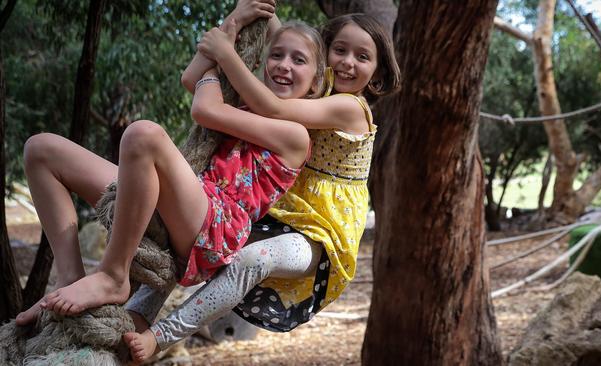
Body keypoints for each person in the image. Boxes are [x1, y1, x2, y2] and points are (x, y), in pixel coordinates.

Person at [15, 7, 321, 327]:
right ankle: (68, 279)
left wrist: (222, 51)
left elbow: (204, 108)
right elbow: (192, 78)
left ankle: (113, 275)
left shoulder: (296, 135)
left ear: (314, 85)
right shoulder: (243, 106)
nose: (284, 65)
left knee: (144, 134)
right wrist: (232, 22)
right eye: (276, 55)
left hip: (215, 227)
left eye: (298, 60)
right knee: (41, 150)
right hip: (183, 201)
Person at [122, 13, 401, 363]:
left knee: (253, 259)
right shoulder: (318, 95)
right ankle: (137, 312)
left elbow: (273, 106)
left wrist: (225, 53)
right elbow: (292, 49)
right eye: (339, 50)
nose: (347, 62)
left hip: (320, 237)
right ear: (325, 53)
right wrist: (262, 15)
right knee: (196, 237)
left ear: (377, 72)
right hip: (281, 215)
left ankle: (162, 335)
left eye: (362, 57)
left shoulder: (350, 107)